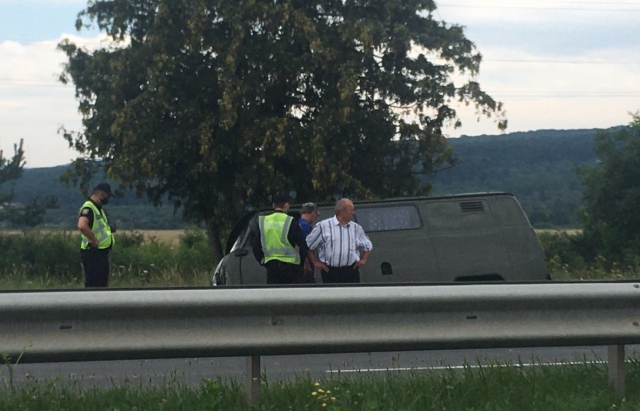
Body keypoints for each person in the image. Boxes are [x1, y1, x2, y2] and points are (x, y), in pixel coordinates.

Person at [306, 198, 372, 284]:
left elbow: (368, 245)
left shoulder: (356, 228)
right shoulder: (323, 226)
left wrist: (363, 260)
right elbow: (308, 244)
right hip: (330, 271)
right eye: (351, 210)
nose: (353, 213)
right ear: (342, 212)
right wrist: (315, 262)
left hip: (351, 271)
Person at [252, 193, 309, 284]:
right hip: (291, 268)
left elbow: (256, 247)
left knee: (275, 296)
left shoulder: (263, 221)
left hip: (272, 267)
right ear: (286, 205)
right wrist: (301, 264)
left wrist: (263, 261)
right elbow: (303, 246)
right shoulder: (290, 221)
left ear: (273, 205)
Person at [77, 183, 115, 288]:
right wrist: (94, 240)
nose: (108, 199)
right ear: (101, 195)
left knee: (102, 284)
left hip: (101, 252)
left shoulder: (98, 208)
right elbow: (82, 225)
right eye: (108, 196)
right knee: (94, 284)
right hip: (93, 252)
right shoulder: (89, 208)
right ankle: (91, 303)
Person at [298, 202, 319, 283]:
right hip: (305, 265)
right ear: (313, 213)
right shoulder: (305, 226)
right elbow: (305, 247)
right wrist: (308, 264)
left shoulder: (297, 223)